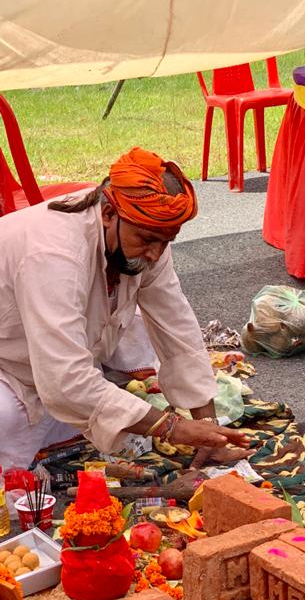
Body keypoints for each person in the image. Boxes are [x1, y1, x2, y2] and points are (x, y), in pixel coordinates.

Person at [0, 146, 250, 470]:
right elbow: (66, 381)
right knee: (12, 416)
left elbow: (176, 326)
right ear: (107, 215)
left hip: (52, 363)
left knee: (126, 358)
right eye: (148, 240)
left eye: (166, 242)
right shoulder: (53, 253)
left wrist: (209, 428)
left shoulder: (147, 233)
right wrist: (173, 428)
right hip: (9, 366)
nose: (155, 255)